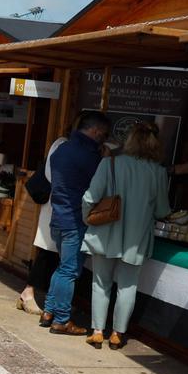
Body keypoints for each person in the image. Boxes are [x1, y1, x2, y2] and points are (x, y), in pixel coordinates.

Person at [81, 122, 171, 350]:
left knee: (100, 283)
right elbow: (162, 211)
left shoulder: (109, 163)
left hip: (105, 233)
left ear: (129, 142)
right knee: (127, 286)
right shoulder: (158, 172)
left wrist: (87, 219)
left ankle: (98, 332)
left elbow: (90, 197)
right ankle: (117, 335)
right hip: (137, 238)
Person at [43, 110, 110, 335]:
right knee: (69, 271)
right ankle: (61, 319)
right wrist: (106, 159)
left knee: (61, 267)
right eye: (104, 134)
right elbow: (102, 184)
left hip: (58, 216)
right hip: (75, 220)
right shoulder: (90, 156)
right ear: (96, 131)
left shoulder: (62, 149)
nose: (105, 138)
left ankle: (48, 311)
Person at [18, 131, 69, 316]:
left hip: (56, 207)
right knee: (47, 253)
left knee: (50, 254)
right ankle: (28, 292)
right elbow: (51, 173)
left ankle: (37, 295)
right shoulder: (62, 144)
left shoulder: (61, 144)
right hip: (55, 206)